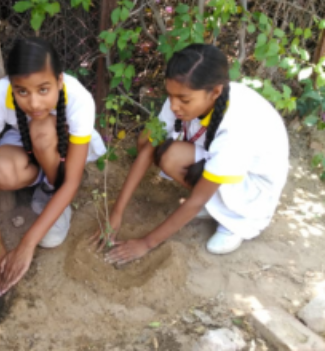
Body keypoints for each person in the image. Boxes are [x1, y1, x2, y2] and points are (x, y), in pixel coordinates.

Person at [92, 44, 289, 264]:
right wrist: (116, 213)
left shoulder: (236, 125)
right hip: (220, 161)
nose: (174, 105)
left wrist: (145, 244)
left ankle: (233, 222)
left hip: (251, 187)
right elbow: (148, 149)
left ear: (215, 92)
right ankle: (216, 206)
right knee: (160, 149)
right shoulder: (183, 93)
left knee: (196, 190)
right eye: (170, 96)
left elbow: (195, 200)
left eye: (184, 100)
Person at [0, 37, 106, 296]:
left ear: (59, 81)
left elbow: (73, 180)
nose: (33, 103)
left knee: (42, 131)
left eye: (43, 90)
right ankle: (43, 178)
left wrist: (26, 244)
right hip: (23, 138)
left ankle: (51, 190)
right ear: (11, 86)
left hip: (62, 144)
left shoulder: (79, 98)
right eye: (22, 91)